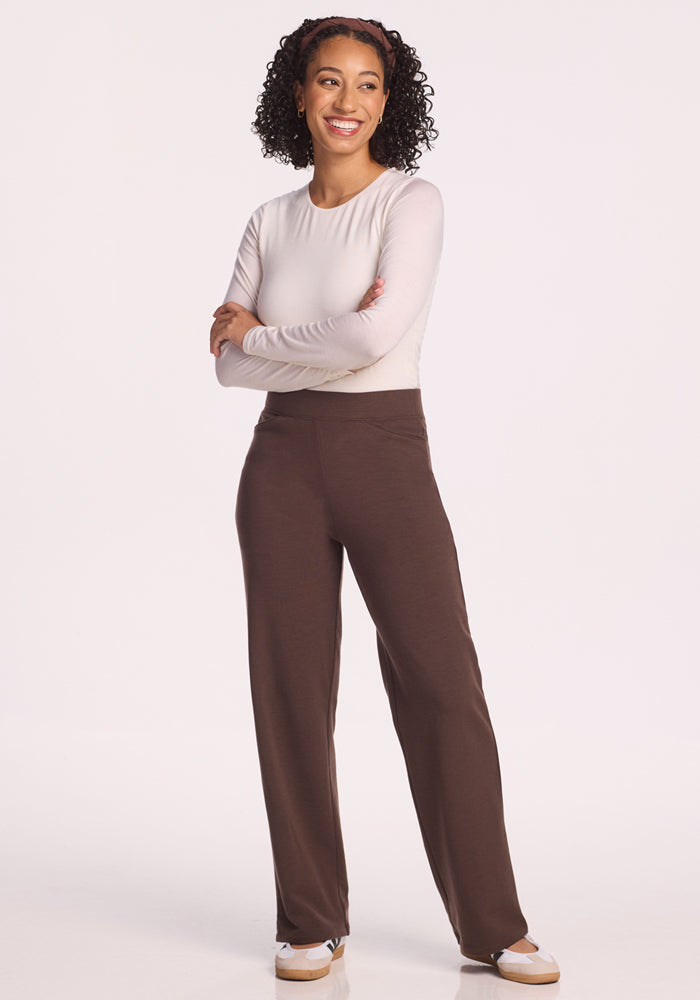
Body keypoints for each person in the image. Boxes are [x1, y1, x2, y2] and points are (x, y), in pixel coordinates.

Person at [209, 15, 561, 986]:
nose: (347, 103)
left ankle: (493, 925)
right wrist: (290, 339)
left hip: (385, 453)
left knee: (442, 682)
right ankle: (309, 918)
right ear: (297, 94)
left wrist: (264, 331)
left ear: (389, 103)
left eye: (367, 86)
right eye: (328, 82)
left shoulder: (412, 201)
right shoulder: (269, 220)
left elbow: (371, 340)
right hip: (279, 463)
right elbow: (226, 374)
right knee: (289, 693)